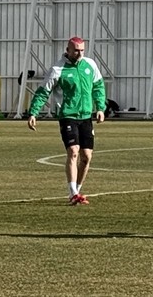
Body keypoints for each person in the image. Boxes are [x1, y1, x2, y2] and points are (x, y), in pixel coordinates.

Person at [26, 37, 106, 206]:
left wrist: (100, 108)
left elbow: (98, 86)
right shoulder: (57, 69)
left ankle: (77, 189)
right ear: (68, 50)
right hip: (67, 115)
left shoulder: (90, 65)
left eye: (82, 50)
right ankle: (72, 193)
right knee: (73, 151)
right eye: (76, 50)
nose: (80, 53)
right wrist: (33, 113)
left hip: (85, 116)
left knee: (87, 157)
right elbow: (43, 91)